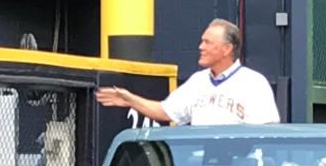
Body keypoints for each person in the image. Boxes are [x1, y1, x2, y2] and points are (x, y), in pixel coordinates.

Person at [96, 19, 280, 126]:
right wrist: (129, 99)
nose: (201, 47)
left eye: (208, 43)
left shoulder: (254, 82)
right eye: (202, 41)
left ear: (226, 49)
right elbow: (165, 111)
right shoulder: (197, 81)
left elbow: (266, 132)